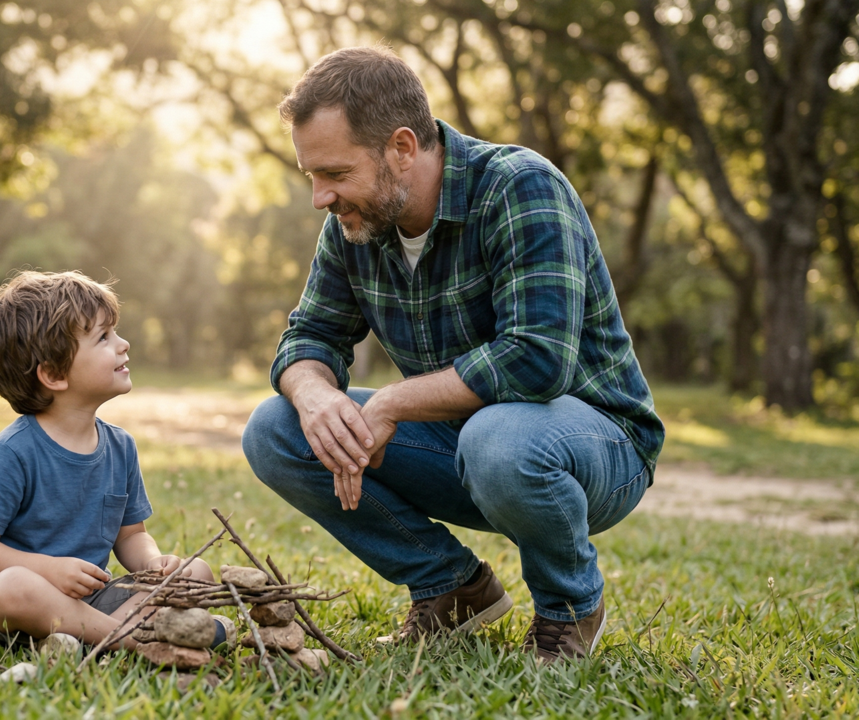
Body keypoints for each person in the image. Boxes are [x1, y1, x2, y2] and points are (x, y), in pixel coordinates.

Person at [242, 47, 665, 663]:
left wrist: (391, 401)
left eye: (334, 173)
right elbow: (309, 337)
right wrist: (313, 395)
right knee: (276, 430)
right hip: (466, 444)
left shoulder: (521, 186)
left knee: (499, 438)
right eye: (312, 176)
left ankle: (569, 610)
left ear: (403, 147)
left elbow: (537, 359)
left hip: (592, 447)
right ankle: (453, 590)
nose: (320, 198)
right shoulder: (354, 224)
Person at [0, 270, 228, 651]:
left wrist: (152, 563)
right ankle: (129, 639)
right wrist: (48, 569)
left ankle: (86, 641)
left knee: (193, 573)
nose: (123, 344)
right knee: (16, 586)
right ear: (53, 374)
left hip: (89, 603)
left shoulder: (120, 446)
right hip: (12, 610)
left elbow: (131, 535)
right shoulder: (11, 453)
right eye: (103, 337)